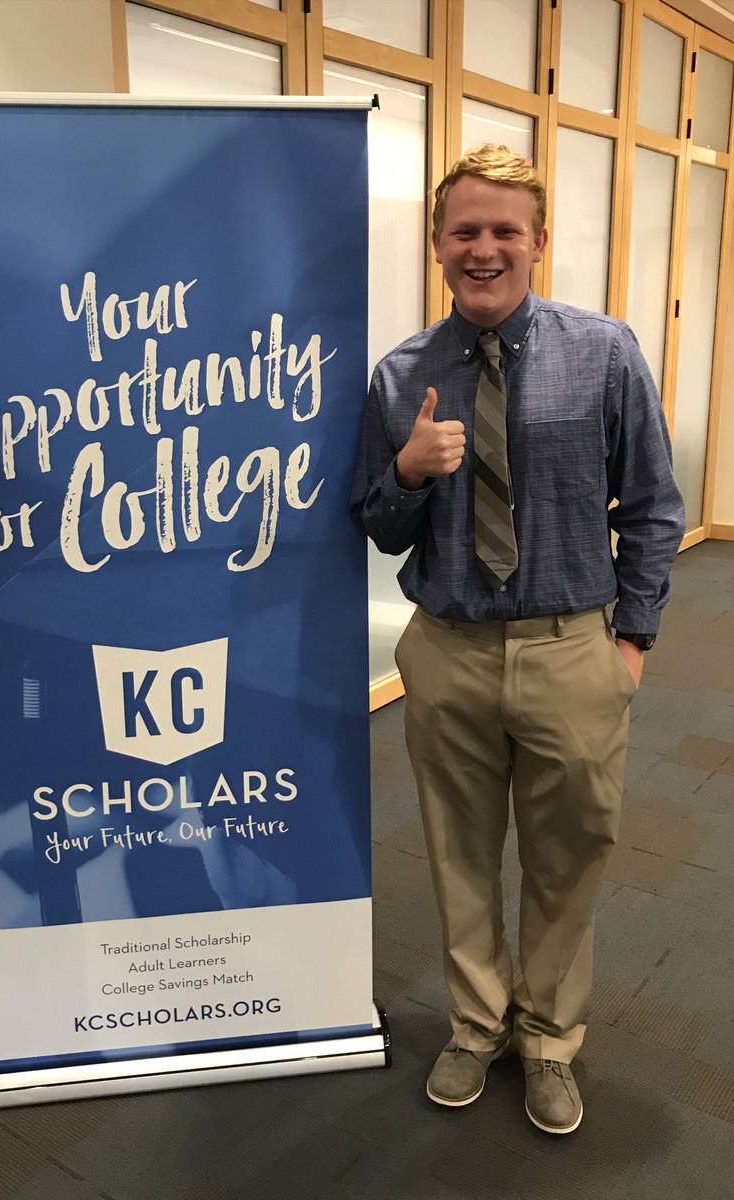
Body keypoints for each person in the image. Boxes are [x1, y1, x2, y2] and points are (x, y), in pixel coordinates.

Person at [352, 144, 685, 1135]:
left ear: (538, 241)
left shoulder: (606, 352)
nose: (484, 248)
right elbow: (376, 524)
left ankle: (548, 1039)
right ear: (437, 244)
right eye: (465, 231)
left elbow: (654, 506)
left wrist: (631, 642)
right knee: (457, 854)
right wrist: (408, 472)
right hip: (448, 651)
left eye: (505, 230)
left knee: (568, 855)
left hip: (572, 651)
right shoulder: (401, 373)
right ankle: (475, 1025)